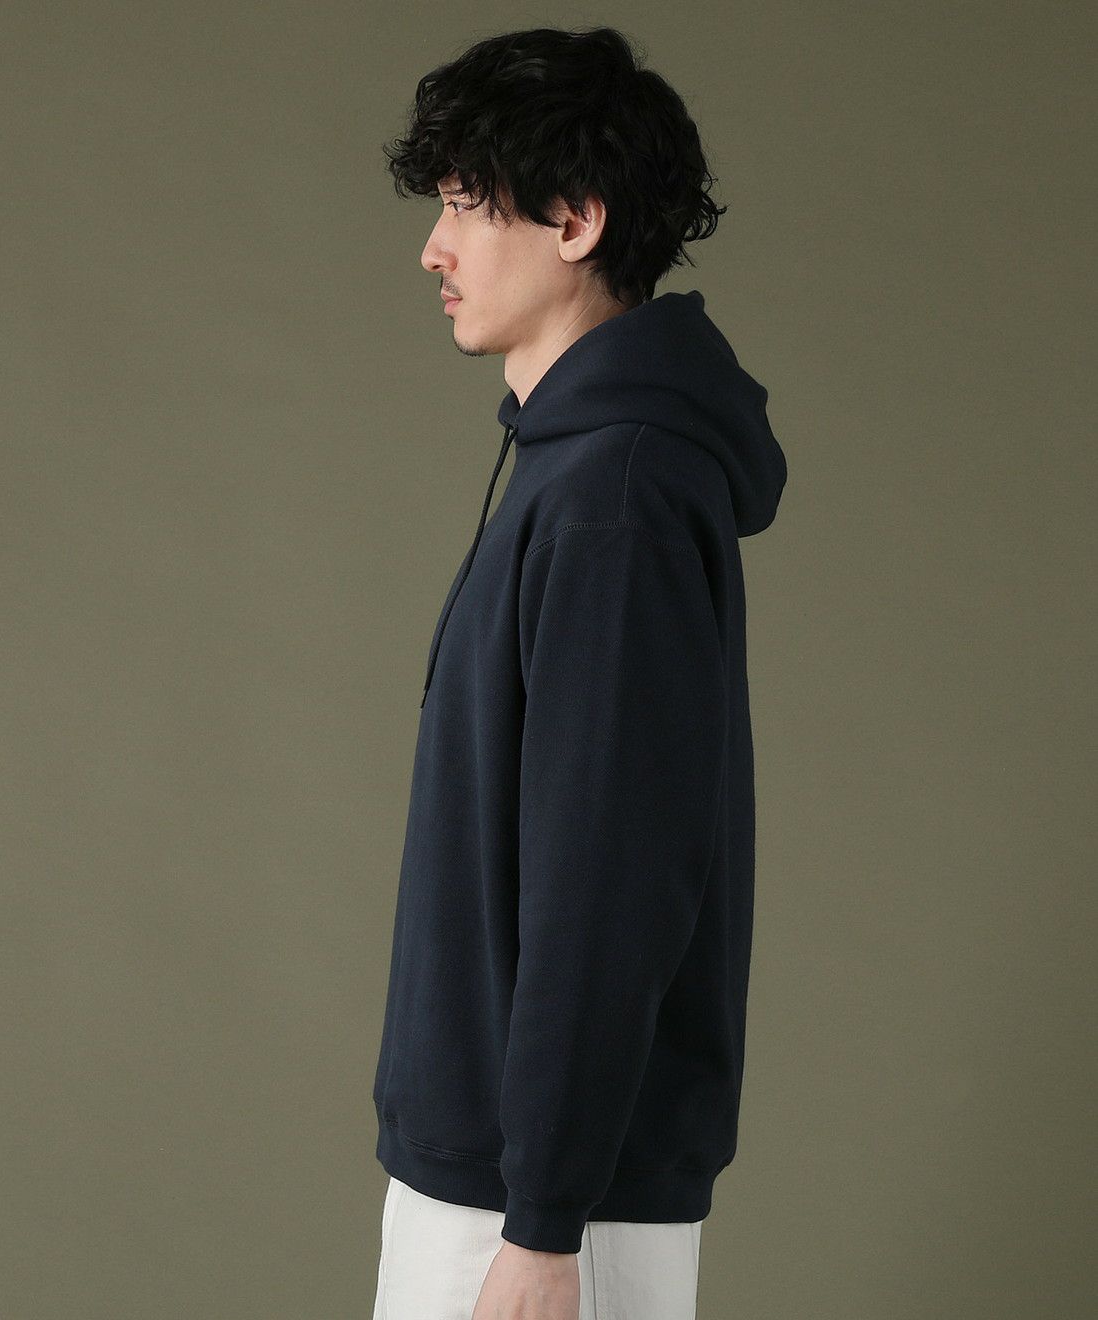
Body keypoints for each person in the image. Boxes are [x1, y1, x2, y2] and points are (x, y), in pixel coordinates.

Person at [371, 24, 788, 1320]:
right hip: (498, 1182)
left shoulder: (618, 498)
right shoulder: (575, 471)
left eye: (464, 204)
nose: (433, 248)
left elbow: (610, 875)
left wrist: (543, 1225)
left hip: (544, 1209)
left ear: (575, 220)